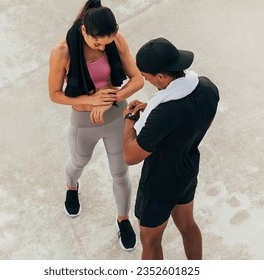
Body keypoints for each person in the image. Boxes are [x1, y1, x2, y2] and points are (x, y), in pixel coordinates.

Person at [48, 0, 143, 251]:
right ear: (84, 32)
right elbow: (55, 94)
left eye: (107, 43)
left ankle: (123, 219)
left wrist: (111, 99)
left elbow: (136, 80)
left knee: (120, 173)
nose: (103, 47)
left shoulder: (116, 40)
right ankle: (71, 187)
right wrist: (91, 101)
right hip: (84, 122)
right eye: (97, 43)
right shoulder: (62, 51)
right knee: (79, 161)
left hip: (115, 118)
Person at [123, 37, 219, 259]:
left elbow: (130, 156)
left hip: (158, 184)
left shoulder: (163, 114)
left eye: (147, 77)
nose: (147, 81)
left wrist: (130, 119)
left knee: (150, 240)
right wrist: (154, 115)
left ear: (161, 76)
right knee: (187, 225)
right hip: (186, 171)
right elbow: (193, 123)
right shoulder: (207, 87)